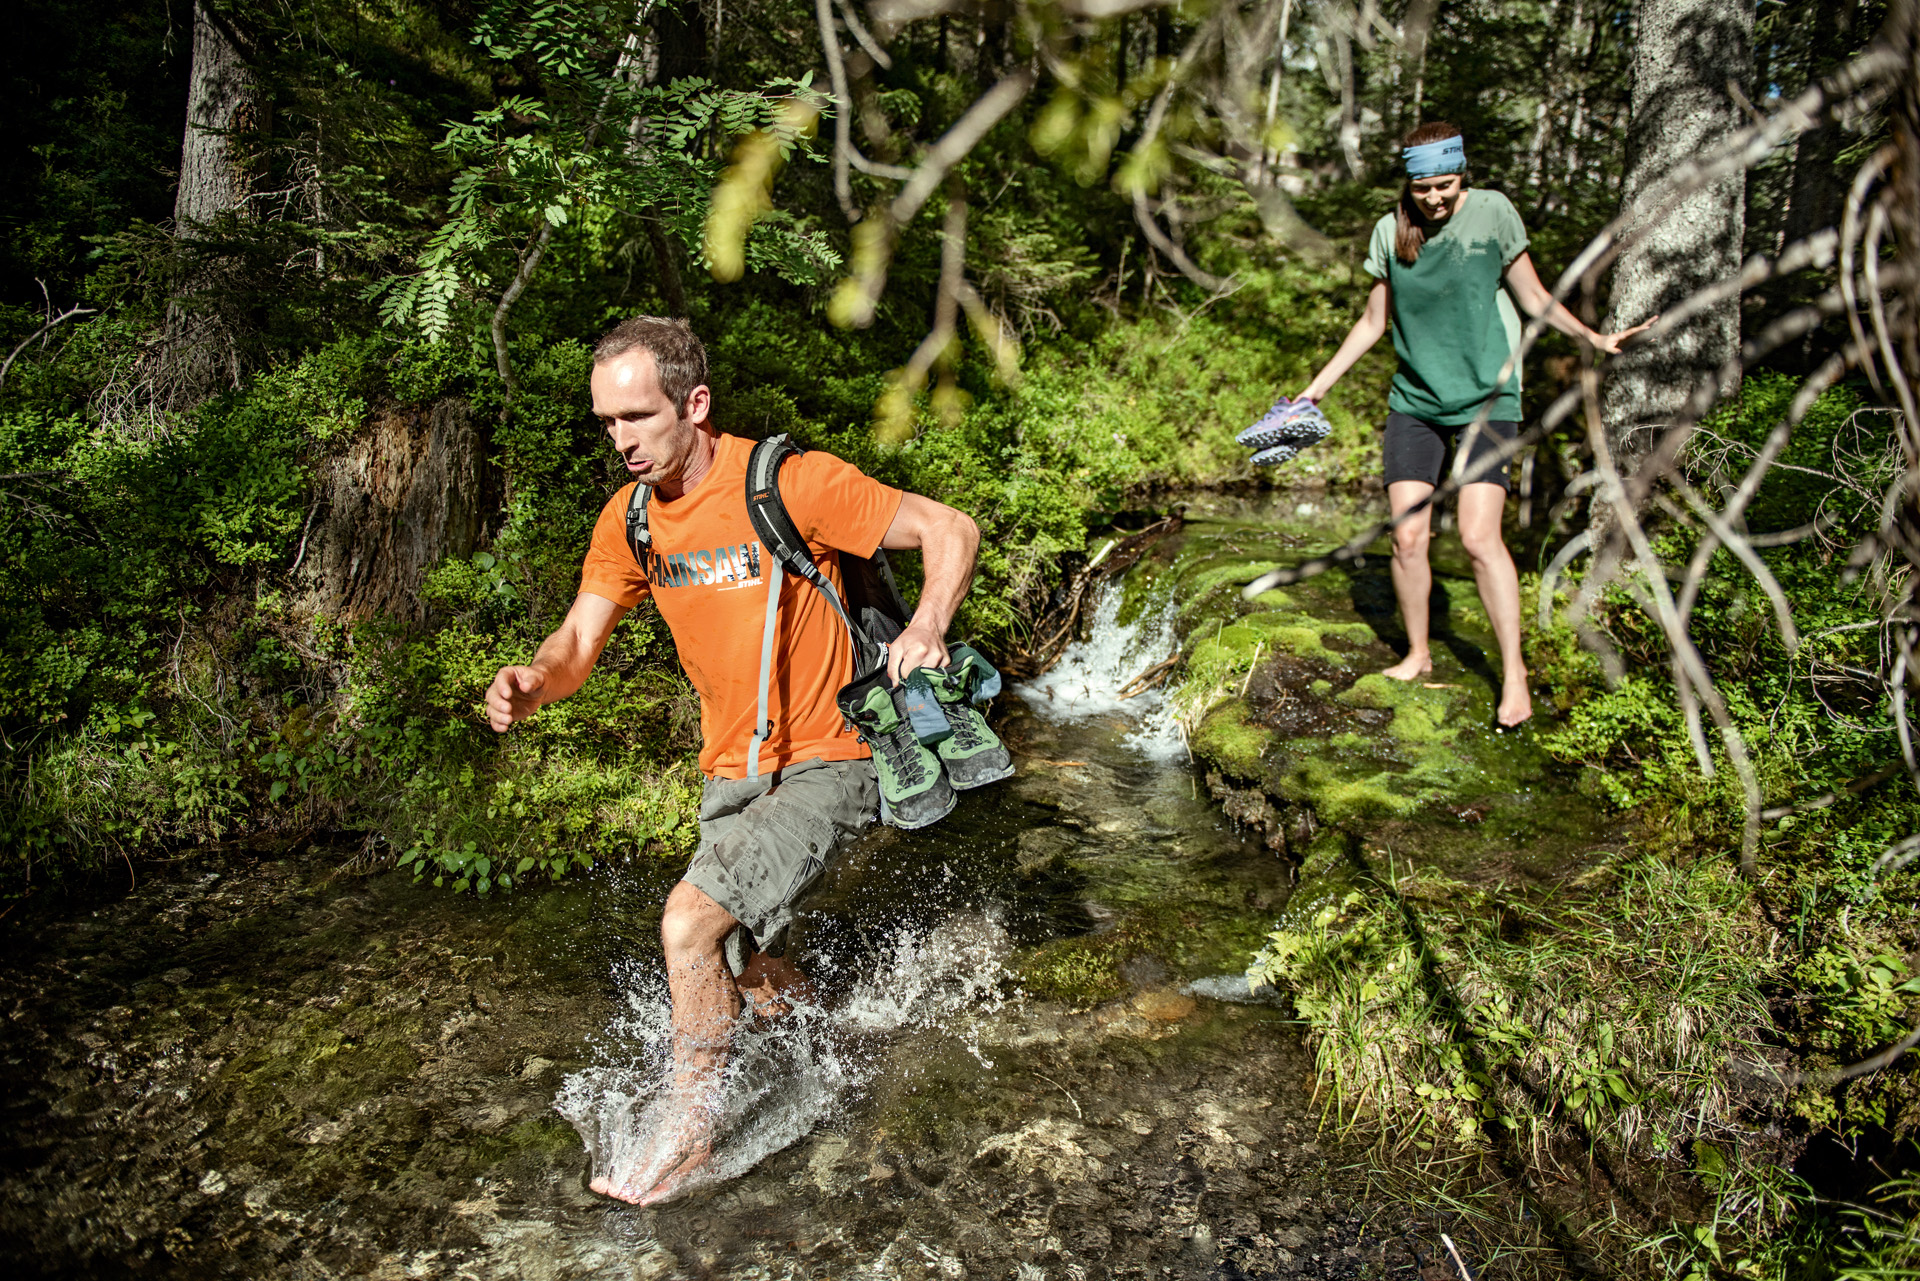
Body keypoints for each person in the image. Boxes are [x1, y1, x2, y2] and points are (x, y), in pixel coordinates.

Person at [483, 316, 981, 1205]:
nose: (621, 439)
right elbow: (577, 642)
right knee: (745, 967)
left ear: (694, 403)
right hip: (732, 771)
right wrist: (532, 680)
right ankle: (851, 1038)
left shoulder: (790, 482)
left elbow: (951, 528)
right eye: (606, 422)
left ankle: (689, 1137)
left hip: (834, 753)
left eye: (637, 416)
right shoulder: (631, 518)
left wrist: (926, 625)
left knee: (688, 924)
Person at [1296, 122, 1653, 727]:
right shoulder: (1391, 232)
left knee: (1478, 538)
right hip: (1416, 400)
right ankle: (1418, 653)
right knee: (1408, 537)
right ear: (1407, 185)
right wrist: (1315, 390)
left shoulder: (1492, 214)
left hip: (1490, 398)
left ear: (1463, 176)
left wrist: (1592, 336)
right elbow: (1371, 323)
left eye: (1445, 184)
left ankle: (1514, 675)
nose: (1434, 197)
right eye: (1422, 187)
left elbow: (1534, 296)